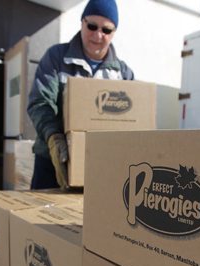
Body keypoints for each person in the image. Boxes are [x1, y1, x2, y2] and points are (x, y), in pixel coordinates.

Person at [27, 0, 134, 190]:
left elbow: (131, 121)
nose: (98, 35)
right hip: (52, 162)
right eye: (92, 26)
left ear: (114, 33)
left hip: (100, 166)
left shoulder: (123, 75)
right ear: (82, 22)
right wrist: (54, 137)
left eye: (106, 30)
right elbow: (40, 102)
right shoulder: (56, 58)